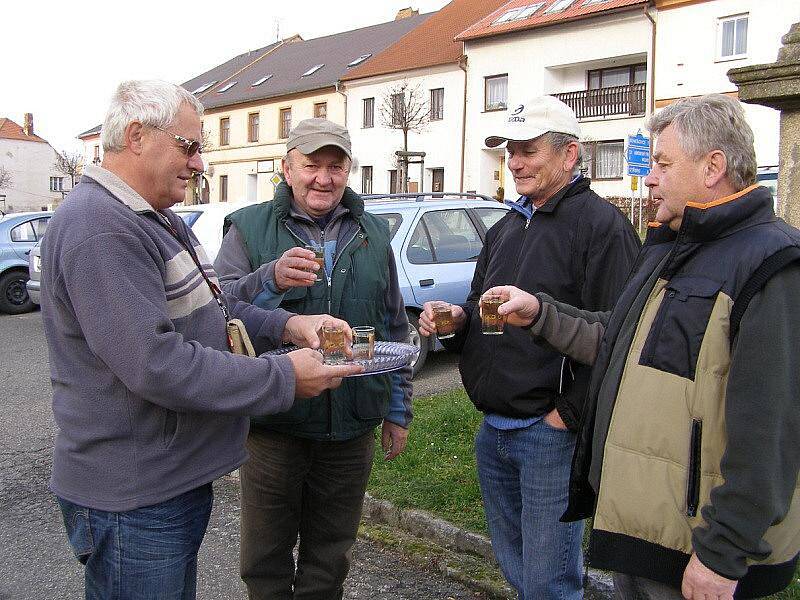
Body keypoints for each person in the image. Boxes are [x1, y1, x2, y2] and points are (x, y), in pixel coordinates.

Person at [40, 80, 361, 600]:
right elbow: (156, 364)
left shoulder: (155, 218)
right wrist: (283, 376)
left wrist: (286, 325)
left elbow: (215, 307)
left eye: (201, 149)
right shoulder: (102, 228)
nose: (199, 164)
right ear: (138, 136)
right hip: (135, 497)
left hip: (163, 485)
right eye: (189, 147)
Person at [486, 94, 800, 600]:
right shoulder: (673, 246)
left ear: (713, 166)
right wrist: (541, 314)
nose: (649, 177)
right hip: (648, 532)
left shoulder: (771, 262)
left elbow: (773, 427)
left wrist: (723, 551)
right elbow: (618, 340)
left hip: (701, 546)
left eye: (661, 163)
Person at [418, 95, 640, 599]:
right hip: (494, 429)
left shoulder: (601, 227)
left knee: (550, 582)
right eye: (509, 150)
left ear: (570, 155)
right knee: (517, 569)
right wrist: (454, 318)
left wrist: (567, 416)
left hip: (551, 434)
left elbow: (621, 337)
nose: (515, 162)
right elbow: (484, 307)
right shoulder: (507, 226)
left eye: (528, 149)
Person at [214, 118, 413, 599]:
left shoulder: (373, 234)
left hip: (351, 426)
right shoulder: (248, 228)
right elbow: (219, 309)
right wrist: (272, 279)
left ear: (349, 170)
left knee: (331, 554)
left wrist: (397, 409)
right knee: (265, 556)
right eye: (311, 165)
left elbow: (392, 325)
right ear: (286, 168)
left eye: (335, 166)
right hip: (276, 425)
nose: (323, 178)